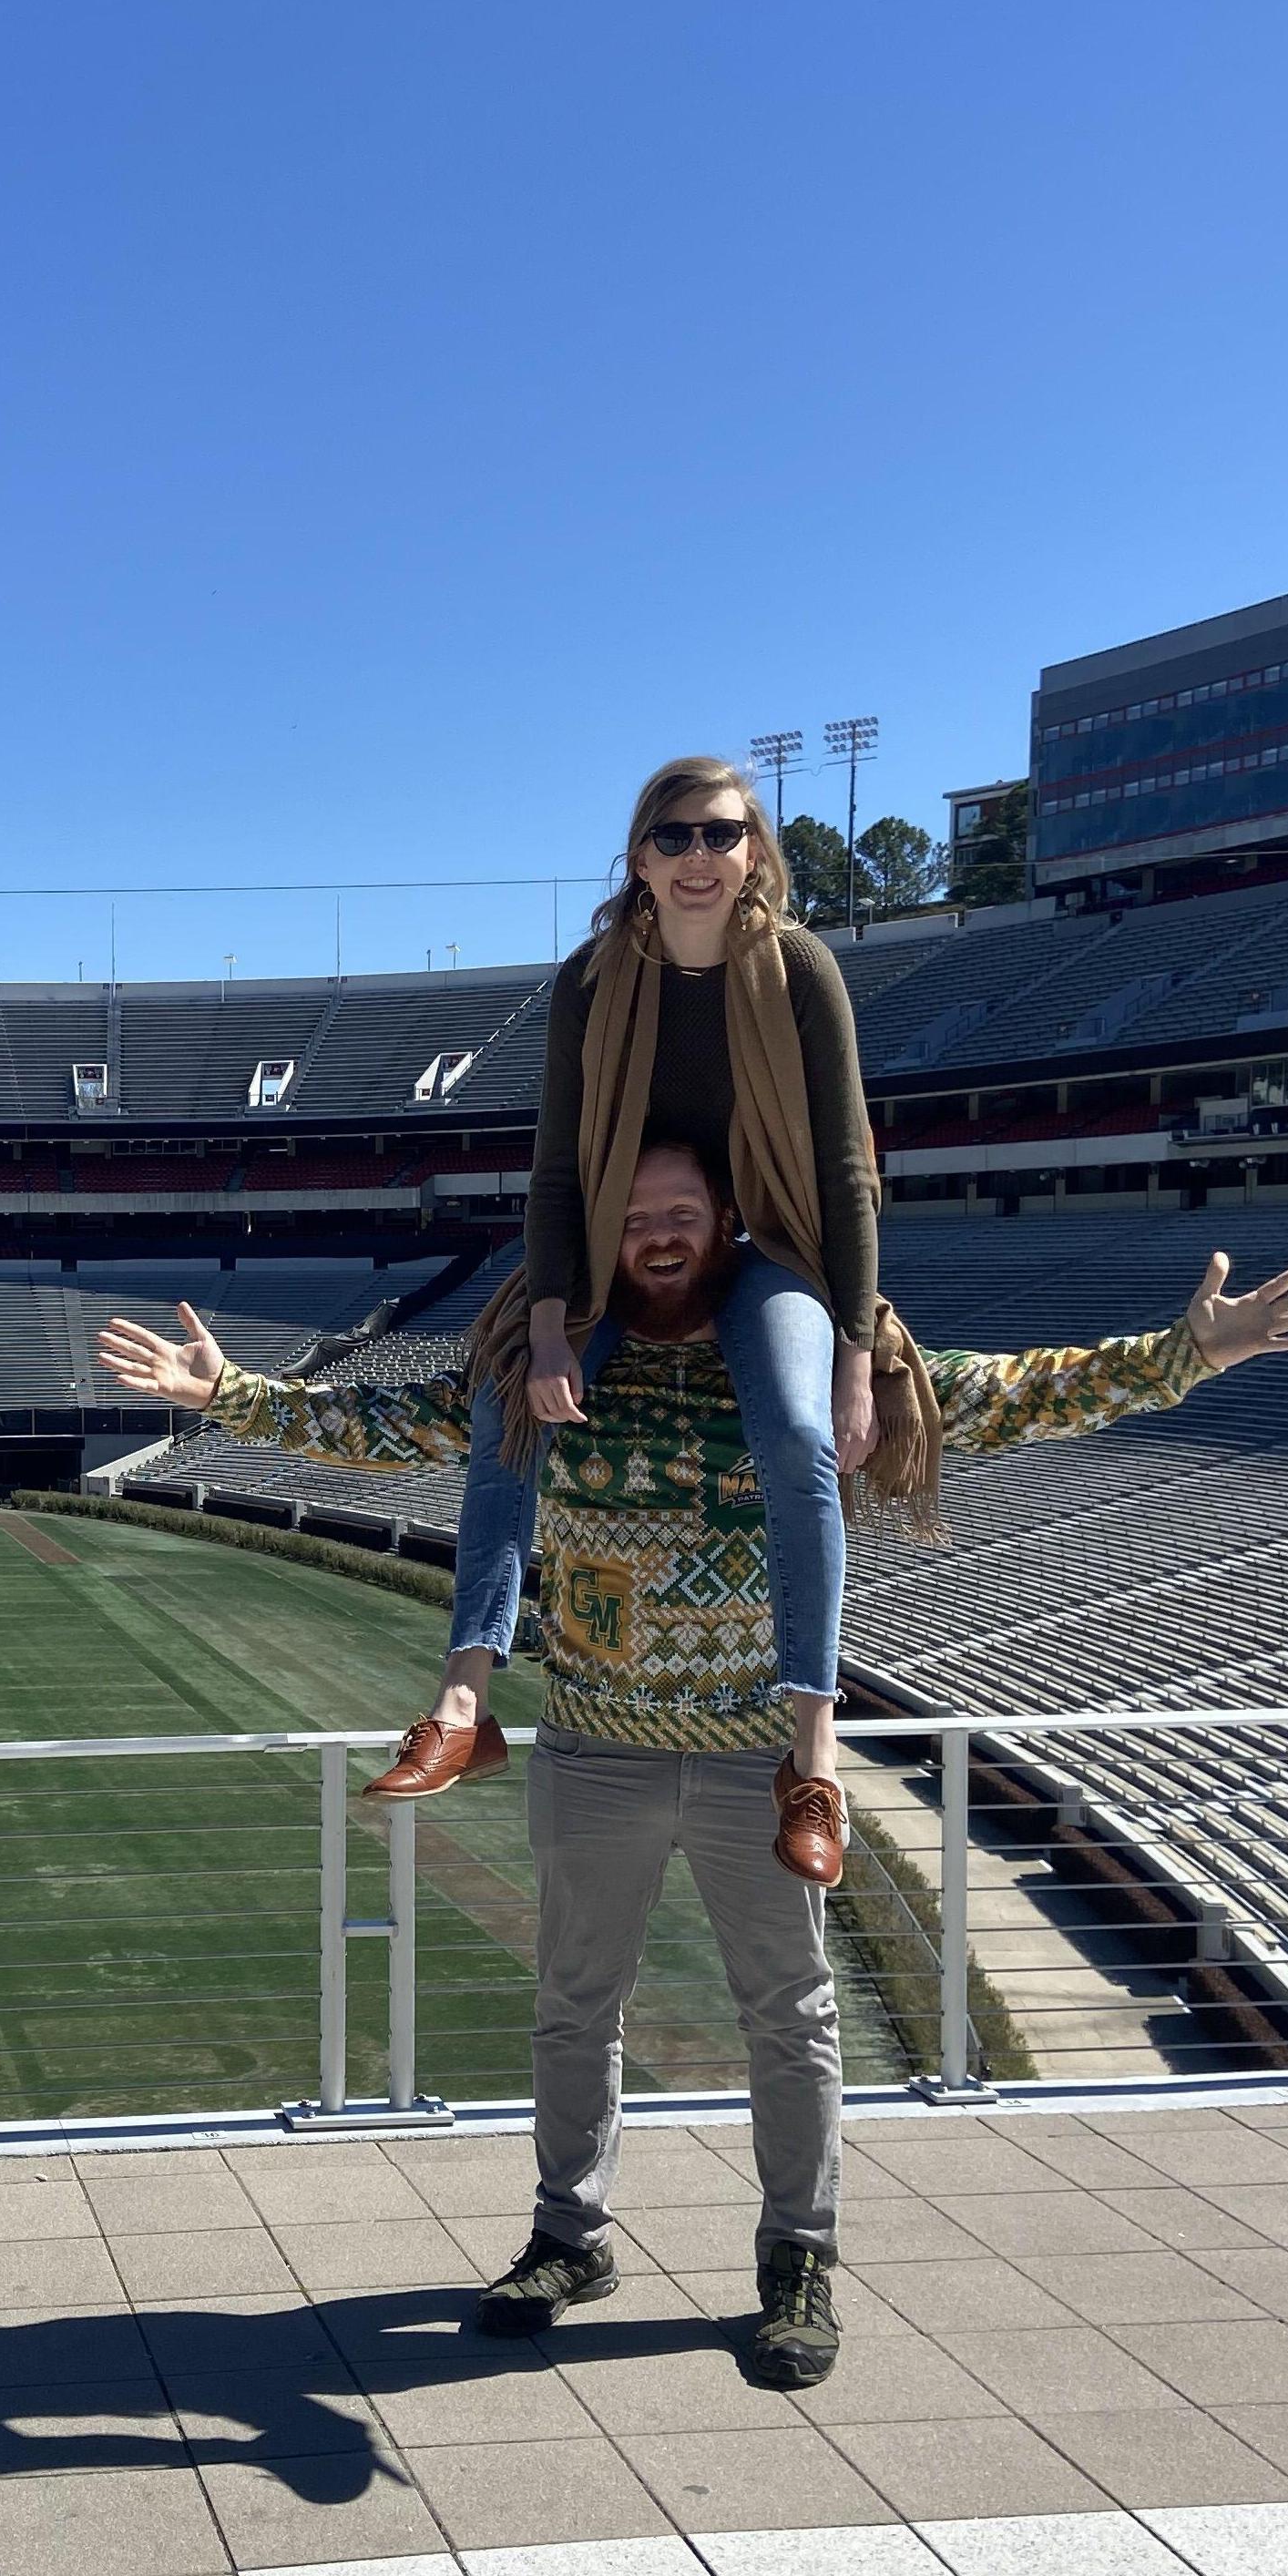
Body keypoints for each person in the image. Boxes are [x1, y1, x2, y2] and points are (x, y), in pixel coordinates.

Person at [95, 1141, 1288, 2387]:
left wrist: (1191, 1352)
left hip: (757, 1756)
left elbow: (1001, 1392)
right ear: (605, 1234)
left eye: (680, 1210)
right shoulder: (554, 1362)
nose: (658, 1233)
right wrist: (230, 1398)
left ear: (726, 1221)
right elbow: (380, 1421)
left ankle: (798, 2257)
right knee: (575, 2010)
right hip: (593, 1744)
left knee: (788, 2018)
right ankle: (568, 2235)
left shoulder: (796, 1366)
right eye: (634, 1217)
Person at [371, 760, 909, 1896]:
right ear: (639, 858)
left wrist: (855, 1354)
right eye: (674, 837)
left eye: (721, 833)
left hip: (768, 1242)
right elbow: (560, 1166)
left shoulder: (799, 970)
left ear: (752, 851)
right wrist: (556, 1322)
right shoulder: (591, 979)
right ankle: (464, 1700)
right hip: (623, 1238)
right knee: (506, 1402)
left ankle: (811, 1753)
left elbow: (844, 1172)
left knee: (801, 1438)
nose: (698, 856)